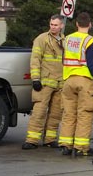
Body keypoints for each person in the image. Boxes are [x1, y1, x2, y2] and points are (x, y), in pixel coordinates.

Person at [59, 12, 93, 156]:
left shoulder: (67, 39)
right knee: (85, 114)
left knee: (68, 114)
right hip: (84, 81)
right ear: (90, 25)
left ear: (76, 24)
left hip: (68, 80)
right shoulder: (90, 42)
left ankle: (66, 145)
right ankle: (80, 147)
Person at [22, 14, 66, 150]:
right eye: (51, 24)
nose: (53, 27)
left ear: (62, 26)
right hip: (44, 83)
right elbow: (35, 59)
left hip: (60, 83)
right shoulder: (42, 39)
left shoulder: (65, 41)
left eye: (56, 25)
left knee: (55, 114)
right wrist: (36, 79)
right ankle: (32, 140)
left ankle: (50, 139)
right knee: (39, 112)